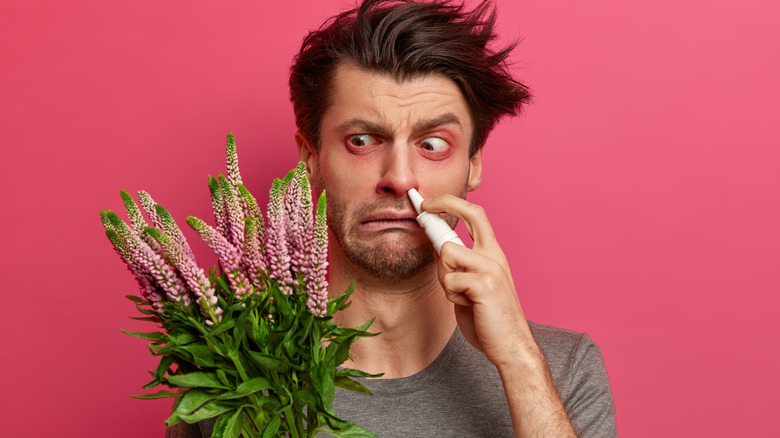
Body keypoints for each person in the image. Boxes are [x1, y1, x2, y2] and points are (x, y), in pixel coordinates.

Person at [168, 0, 616, 436]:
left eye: (434, 144)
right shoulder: (230, 374)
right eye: (362, 140)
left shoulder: (562, 368)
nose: (399, 178)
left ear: (474, 164)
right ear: (311, 158)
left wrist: (519, 359)